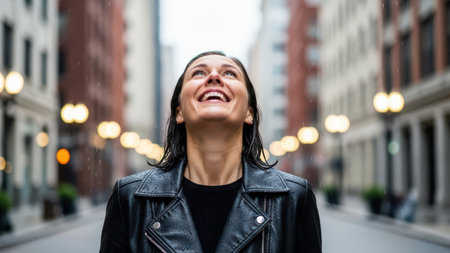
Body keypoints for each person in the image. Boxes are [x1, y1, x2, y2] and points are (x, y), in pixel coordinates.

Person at [100, 51, 322, 253]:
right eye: (198, 73)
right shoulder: (129, 199)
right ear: (179, 112)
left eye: (229, 73)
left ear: (249, 113)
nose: (214, 77)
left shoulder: (294, 199)